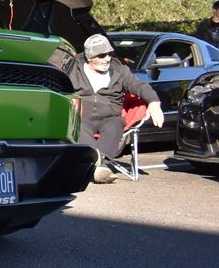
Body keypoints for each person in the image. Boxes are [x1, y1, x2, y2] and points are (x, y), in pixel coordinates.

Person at [68, 34, 164, 184]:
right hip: (81, 116)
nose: (107, 58)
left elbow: (139, 86)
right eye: (101, 55)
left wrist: (154, 103)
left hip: (110, 117)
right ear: (89, 57)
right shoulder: (73, 69)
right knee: (76, 125)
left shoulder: (120, 71)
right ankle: (100, 167)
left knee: (116, 124)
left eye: (109, 54)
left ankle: (93, 166)